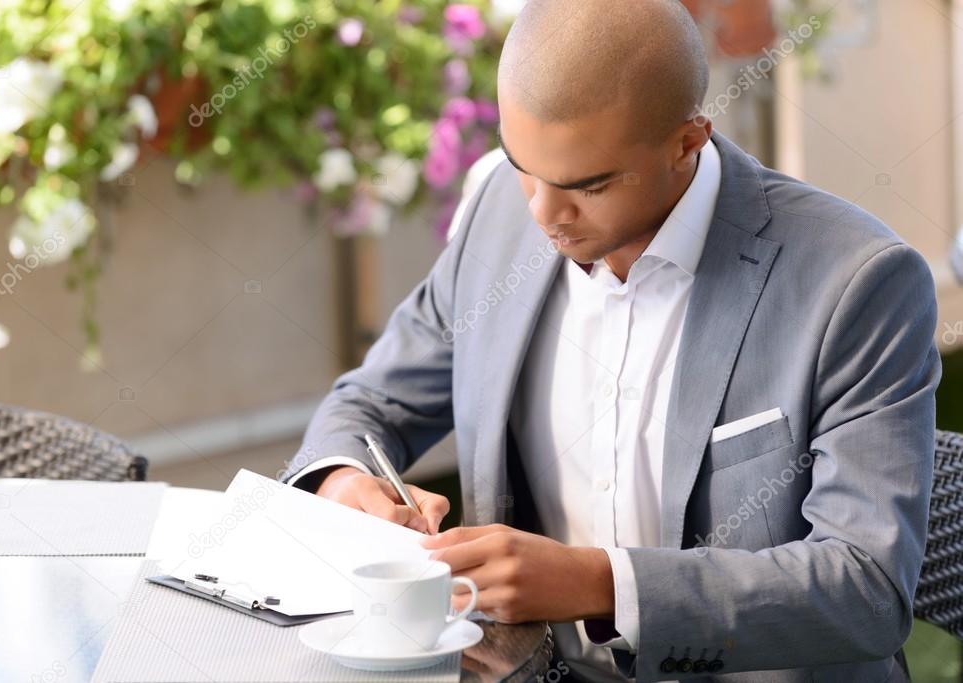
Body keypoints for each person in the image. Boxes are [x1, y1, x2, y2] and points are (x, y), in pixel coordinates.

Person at [280, 1, 938, 680]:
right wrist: (342, 479)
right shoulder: (497, 211)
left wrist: (602, 583)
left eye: (587, 186)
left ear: (688, 142)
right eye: (521, 165)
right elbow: (369, 403)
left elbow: (864, 587)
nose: (543, 214)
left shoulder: (856, 282)